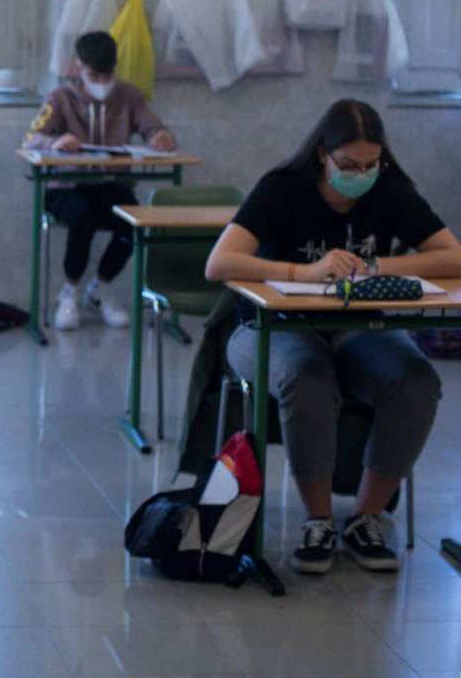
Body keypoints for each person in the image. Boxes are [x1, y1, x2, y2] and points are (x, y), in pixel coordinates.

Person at [206, 99, 461, 574]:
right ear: (323, 154)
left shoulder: (389, 190)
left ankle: (365, 518)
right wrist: (304, 272)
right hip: (266, 328)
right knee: (307, 375)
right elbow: (219, 263)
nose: (360, 174)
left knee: (416, 381)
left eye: (371, 164)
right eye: (348, 165)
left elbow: (453, 256)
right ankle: (318, 520)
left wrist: (379, 265)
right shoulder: (283, 189)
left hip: (353, 328)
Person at [24, 31, 176, 329]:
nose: (102, 83)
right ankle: (70, 291)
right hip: (67, 188)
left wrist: (161, 137)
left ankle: (101, 286)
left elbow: (154, 128)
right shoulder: (60, 98)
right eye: (94, 75)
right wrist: (53, 143)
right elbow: (31, 138)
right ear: (78, 68)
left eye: (108, 75)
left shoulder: (129, 96)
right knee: (83, 219)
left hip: (111, 186)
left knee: (132, 223)